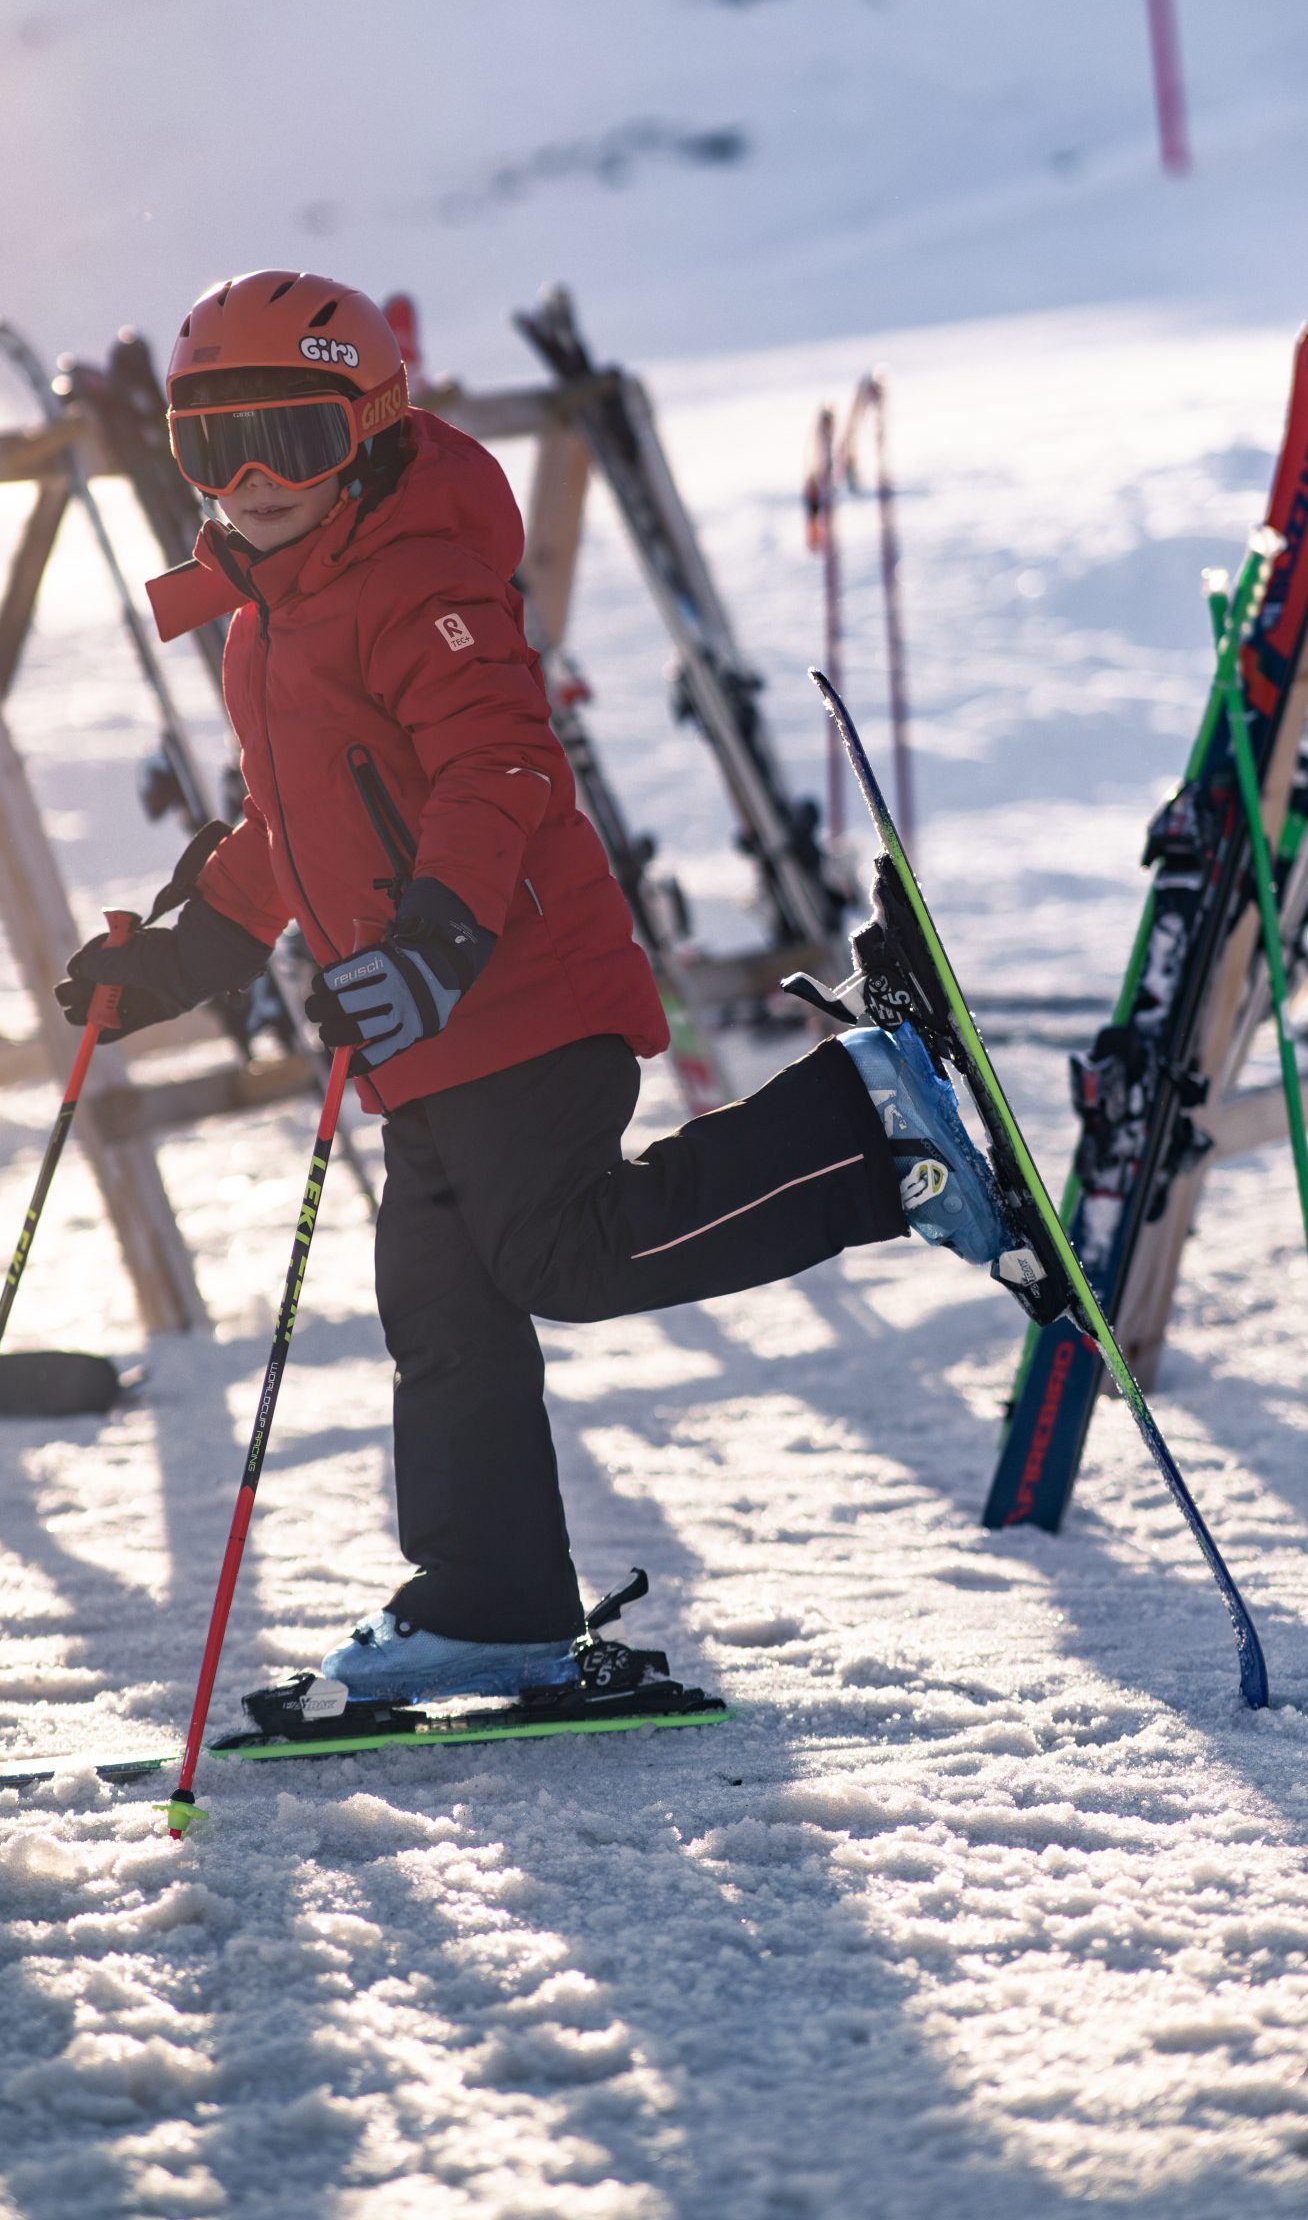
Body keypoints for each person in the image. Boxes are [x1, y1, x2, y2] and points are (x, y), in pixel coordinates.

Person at [57, 270, 1018, 1703]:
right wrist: (186, 958)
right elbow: (290, 830)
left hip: (515, 998)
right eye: (216, 448)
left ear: (371, 432)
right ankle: (494, 1601)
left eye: (297, 444)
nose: (255, 484)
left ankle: (867, 1131)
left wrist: (435, 942)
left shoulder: (420, 583)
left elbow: (497, 768)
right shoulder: (266, 622)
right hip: (419, 1037)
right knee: (442, 1318)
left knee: (567, 1259)